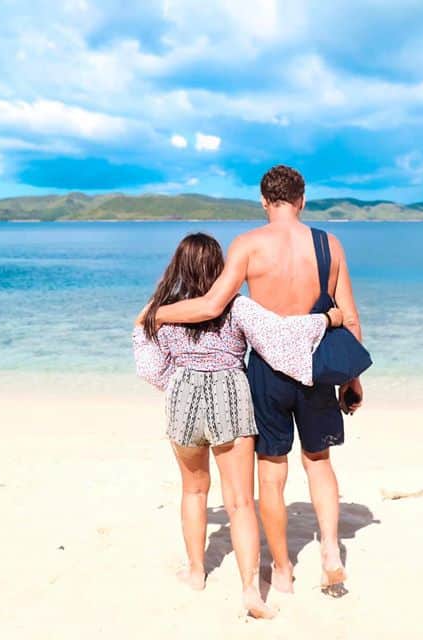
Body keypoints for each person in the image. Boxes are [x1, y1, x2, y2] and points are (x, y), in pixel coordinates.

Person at [153, 166, 364, 597]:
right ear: (302, 199)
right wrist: (352, 379)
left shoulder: (248, 246)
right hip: (315, 367)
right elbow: (351, 317)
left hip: (266, 372)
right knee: (319, 461)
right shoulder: (329, 245)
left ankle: (283, 571)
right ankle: (329, 553)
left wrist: (157, 314)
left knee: (271, 473)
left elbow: (214, 304)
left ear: (265, 201)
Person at [132, 232, 343, 618]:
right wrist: (326, 319)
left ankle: (196, 574)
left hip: (182, 395)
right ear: (220, 268)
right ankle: (250, 591)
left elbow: (147, 362)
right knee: (241, 502)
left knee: (193, 491)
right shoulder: (236, 306)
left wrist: (177, 381)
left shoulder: (162, 309)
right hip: (229, 394)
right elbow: (281, 336)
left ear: (176, 266)